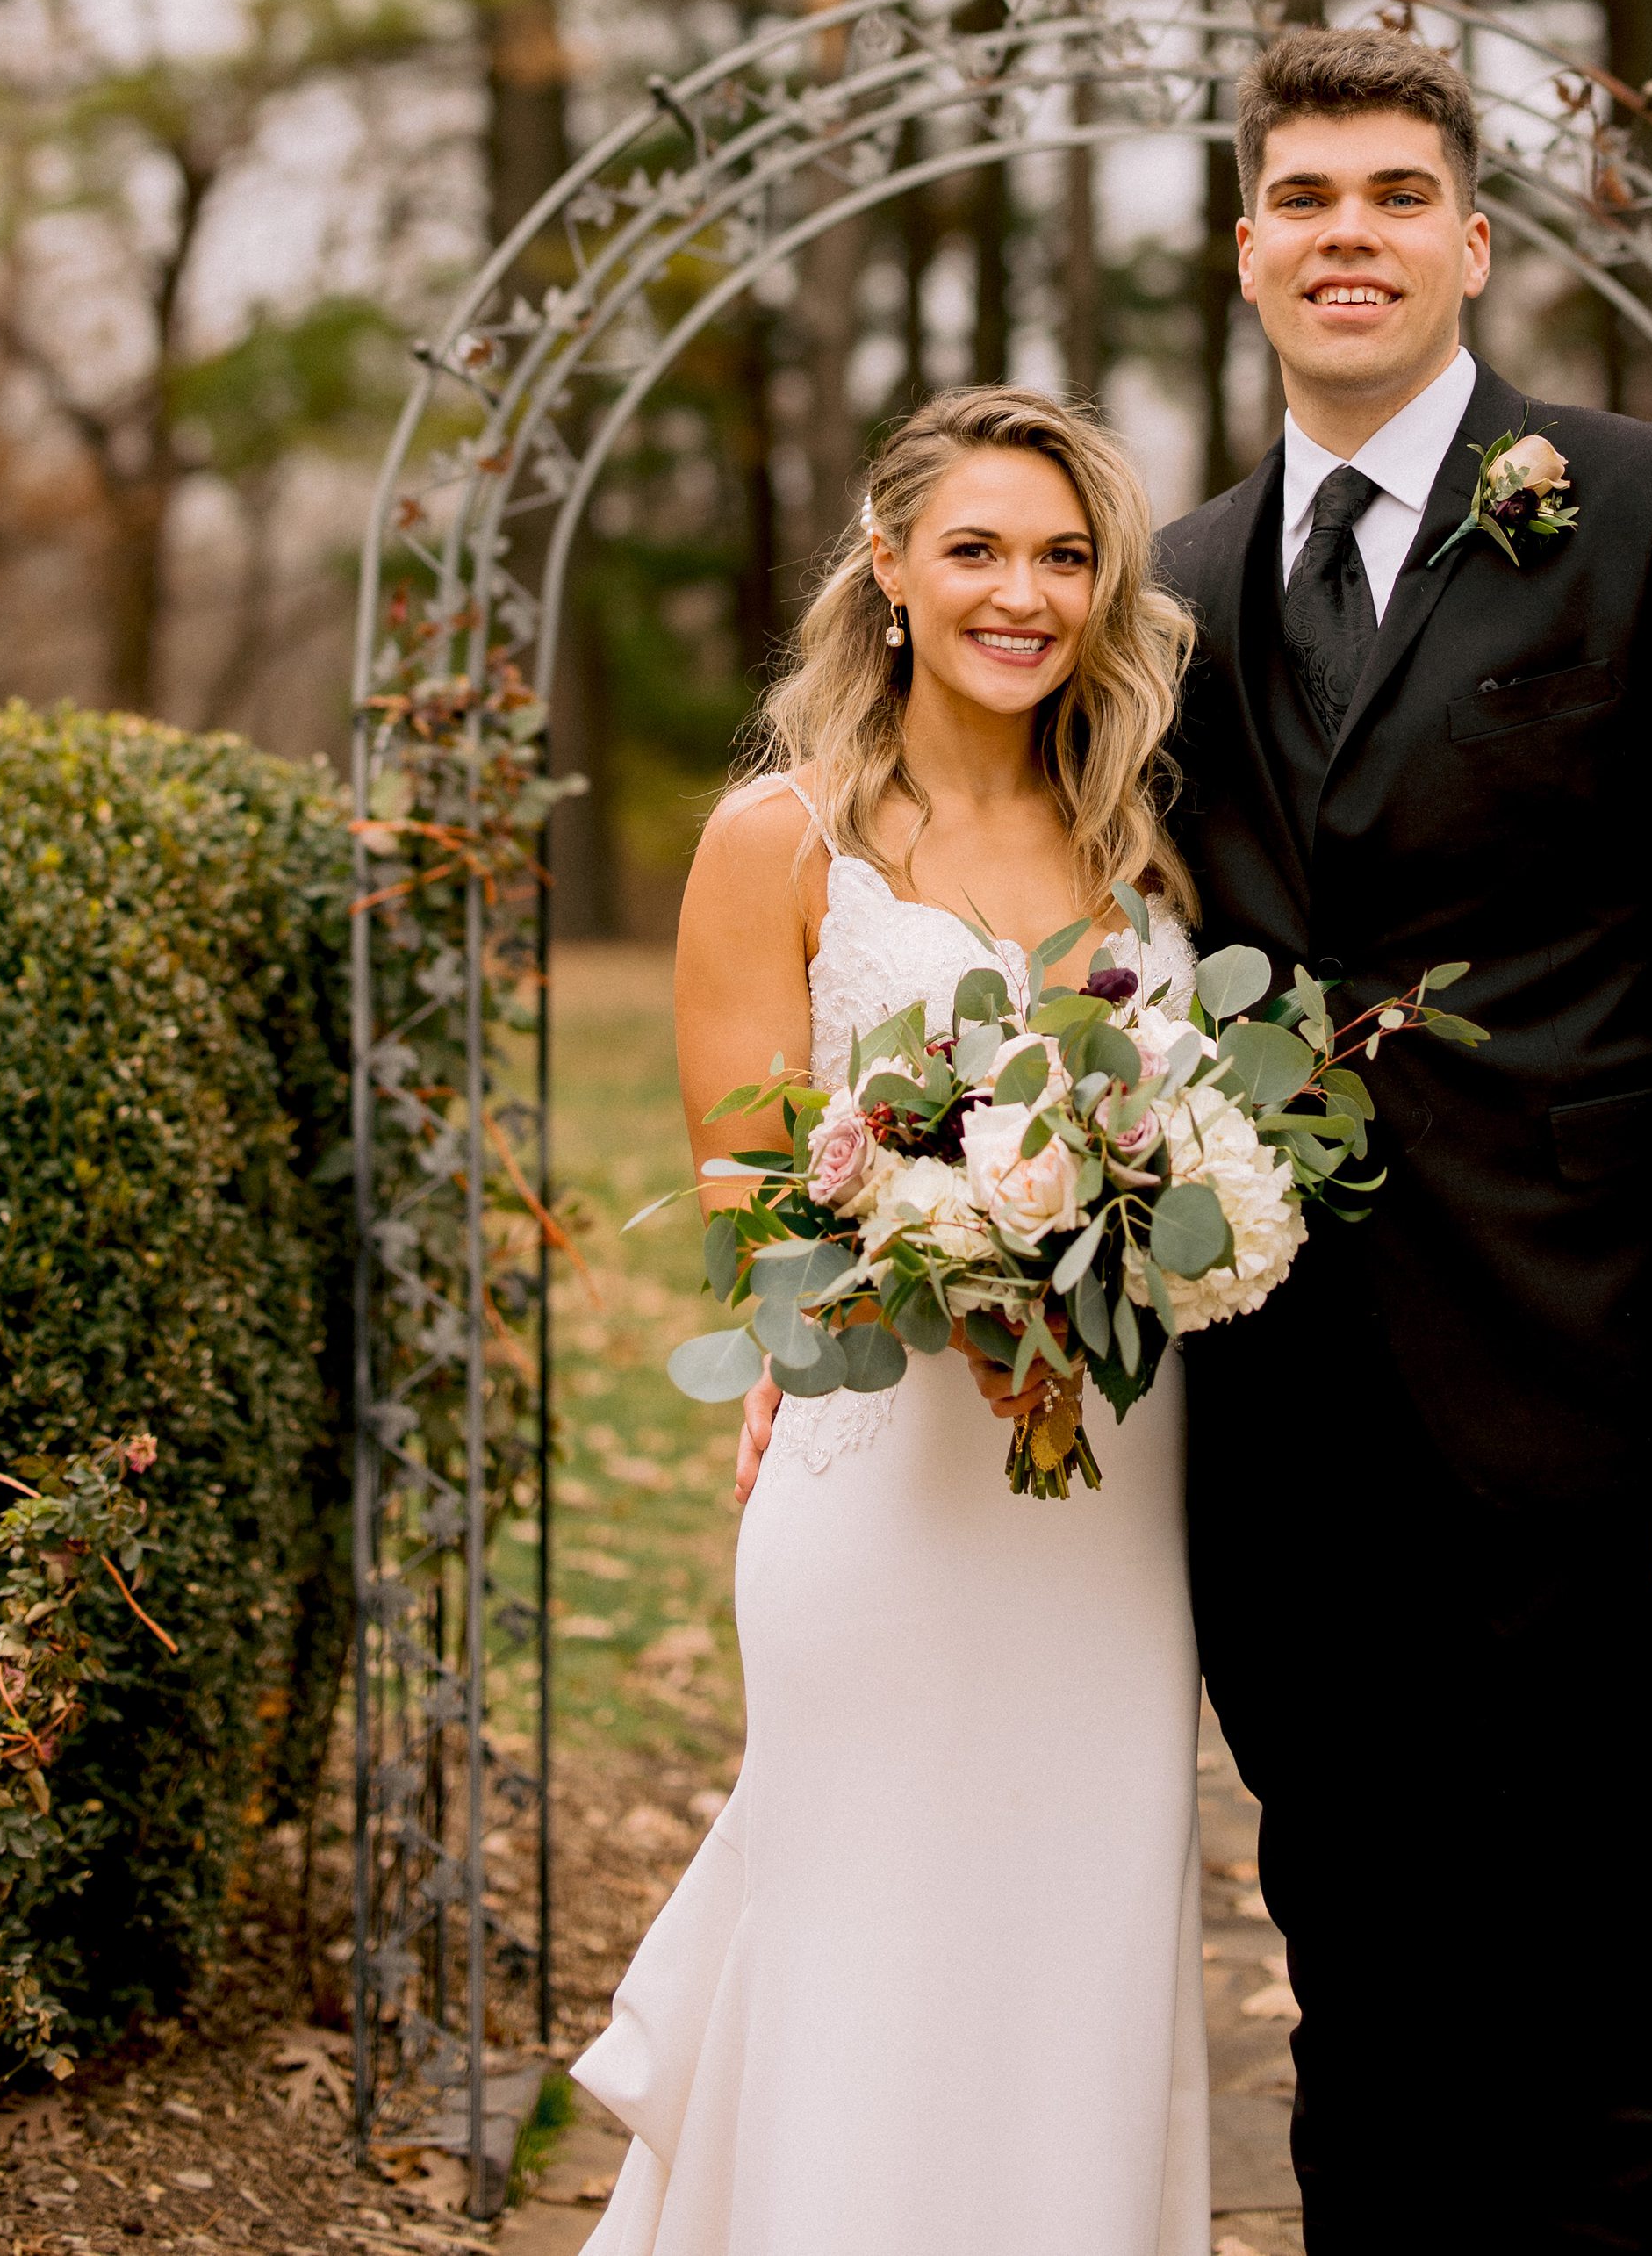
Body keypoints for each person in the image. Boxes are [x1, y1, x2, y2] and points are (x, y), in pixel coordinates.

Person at [1155, 24, 1652, 2256]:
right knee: (1358, 1999)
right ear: (1243, 251)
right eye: (1304, 199)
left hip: (1602, 1410)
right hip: (1284, 1438)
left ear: (1470, 244)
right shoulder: (1165, 581)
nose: (1345, 235)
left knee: (1576, 2003)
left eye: (1394, 197)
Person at [571, 385, 1211, 2256]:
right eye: (980, 551)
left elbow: (1199, 1141)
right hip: (881, 1474)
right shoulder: (780, 838)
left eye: (1066, 556)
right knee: (867, 1925)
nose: (1025, 594)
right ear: (890, 569)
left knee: (1077, 1928)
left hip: (1109, 1491)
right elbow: (744, 1198)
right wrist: (938, 1274)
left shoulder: (1149, 846)